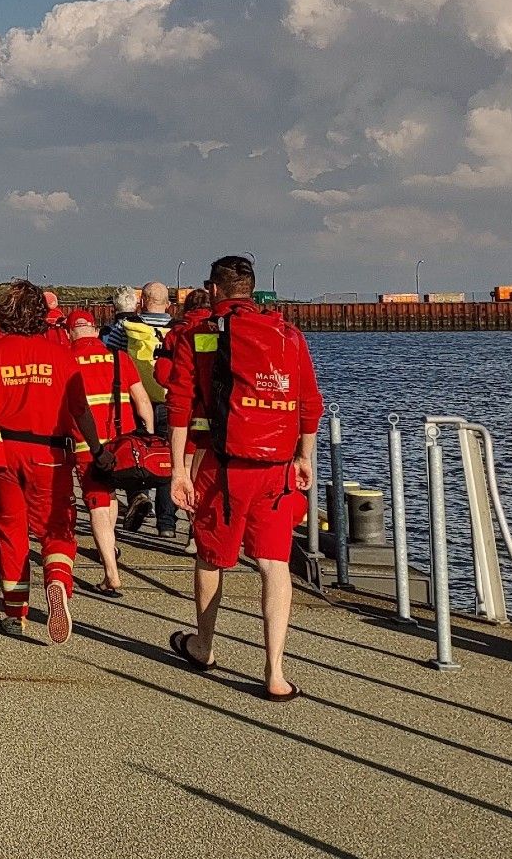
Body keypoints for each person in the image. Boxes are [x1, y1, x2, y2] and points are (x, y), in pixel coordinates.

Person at [164, 256, 322, 701]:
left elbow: (180, 405)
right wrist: (303, 457)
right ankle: (274, 672)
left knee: (212, 558)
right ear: (251, 290)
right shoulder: (288, 335)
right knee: (274, 564)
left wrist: (178, 469)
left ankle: (203, 645)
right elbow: (309, 403)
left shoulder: (199, 335)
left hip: (225, 466)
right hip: (277, 465)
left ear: (214, 290)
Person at [0, 280, 106, 642]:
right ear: (41, 315)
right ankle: (57, 580)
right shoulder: (62, 356)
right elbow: (80, 410)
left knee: (11, 533)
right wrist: (97, 447)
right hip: (51, 455)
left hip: (2, 455)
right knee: (57, 530)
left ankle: (14, 614)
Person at [67, 310, 153, 595]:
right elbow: (142, 401)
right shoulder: (119, 357)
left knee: (98, 505)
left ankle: (111, 573)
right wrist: (148, 438)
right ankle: (111, 544)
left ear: (70, 333)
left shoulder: (66, 360)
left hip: (87, 446)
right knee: (111, 497)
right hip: (123, 445)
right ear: (94, 329)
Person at [109, 281, 177, 533]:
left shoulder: (125, 328)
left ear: (141, 302)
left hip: (135, 401)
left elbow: (111, 360)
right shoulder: (178, 331)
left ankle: (138, 493)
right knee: (169, 458)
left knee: (134, 452)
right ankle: (167, 522)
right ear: (168, 304)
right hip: (172, 402)